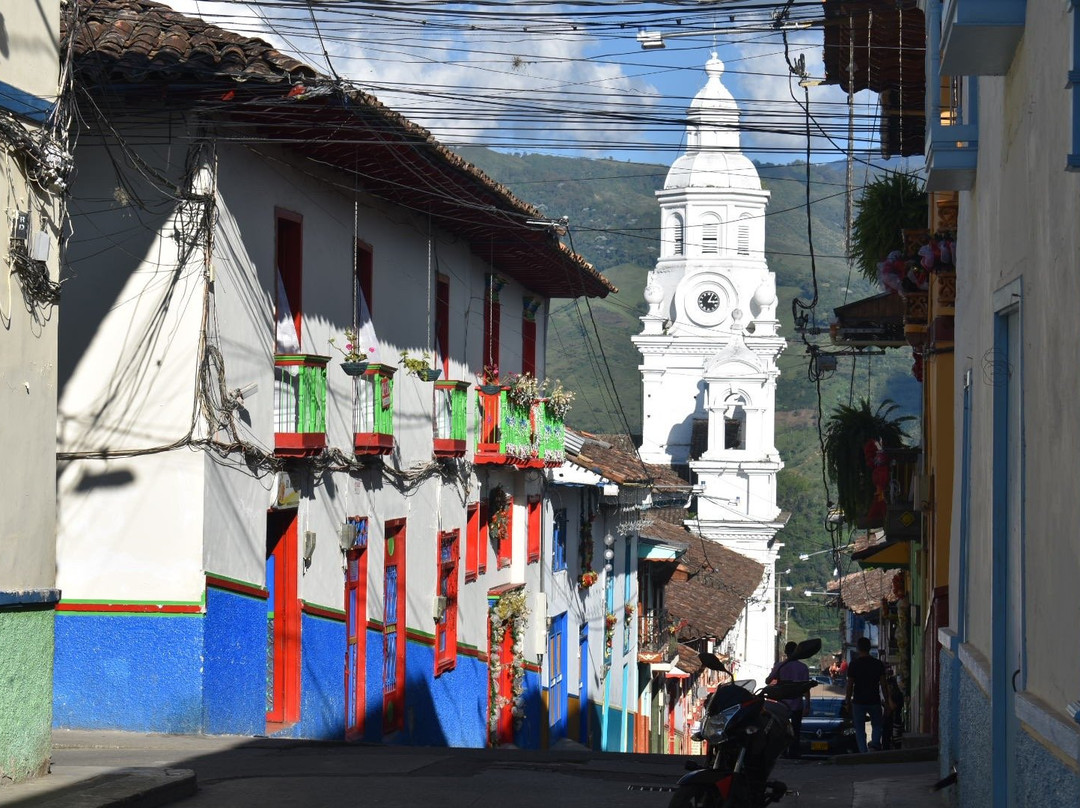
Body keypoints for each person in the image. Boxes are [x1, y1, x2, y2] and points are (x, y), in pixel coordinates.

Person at [844, 637, 894, 752]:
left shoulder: (853, 665)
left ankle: (863, 751)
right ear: (870, 648)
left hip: (858, 702)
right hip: (874, 700)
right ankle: (875, 745)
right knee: (877, 725)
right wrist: (886, 701)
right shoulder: (877, 664)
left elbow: (850, 685)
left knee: (860, 728)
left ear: (857, 649)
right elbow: (883, 684)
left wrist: (847, 702)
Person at [767, 641, 812, 759]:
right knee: (796, 730)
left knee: (781, 729)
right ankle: (794, 752)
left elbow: (768, 681)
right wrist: (807, 705)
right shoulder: (803, 668)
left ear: (786, 652)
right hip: (797, 704)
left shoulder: (780, 666)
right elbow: (806, 688)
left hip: (782, 705)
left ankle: (782, 752)